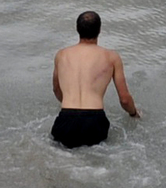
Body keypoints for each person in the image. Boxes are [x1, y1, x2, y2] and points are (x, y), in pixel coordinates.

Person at [50, 9, 139, 148]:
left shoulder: (62, 55)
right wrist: (134, 114)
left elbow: (56, 89)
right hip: (94, 122)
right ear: (99, 30)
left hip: (65, 121)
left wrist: (70, 105)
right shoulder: (111, 57)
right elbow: (124, 99)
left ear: (77, 29)